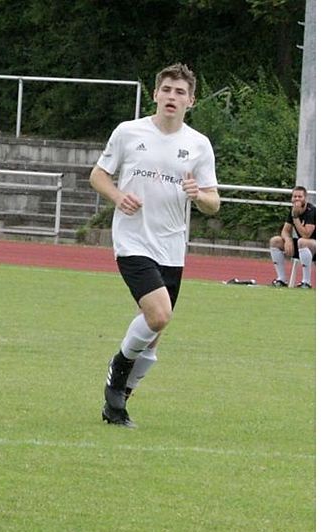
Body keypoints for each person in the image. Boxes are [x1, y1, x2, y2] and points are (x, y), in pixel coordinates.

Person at [89, 63, 220, 429]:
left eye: (180, 92)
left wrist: (198, 195)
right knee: (159, 314)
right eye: (166, 90)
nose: (171, 97)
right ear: (155, 94)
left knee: (153, 335)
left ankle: (117, 404)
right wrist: (118, 196)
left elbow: (213, 202)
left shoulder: (198, 144)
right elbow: (98, 175)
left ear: (191, 101)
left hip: (172, 245)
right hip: (133, 241)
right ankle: (118, 368)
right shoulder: (129, 132)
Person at [269, 186, 315, 288]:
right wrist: (288, 240)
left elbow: (306, 235)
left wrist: (296, 217)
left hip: (313, 246)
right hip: (301, 246)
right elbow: (285, 231)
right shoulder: (293, 211)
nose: (297, 199)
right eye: (295, 196)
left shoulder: (312, 211)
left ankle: (306, 282)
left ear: (305, 198)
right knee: (275, 241)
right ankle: (281, 279)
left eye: (300, 196)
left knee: (302, 241)